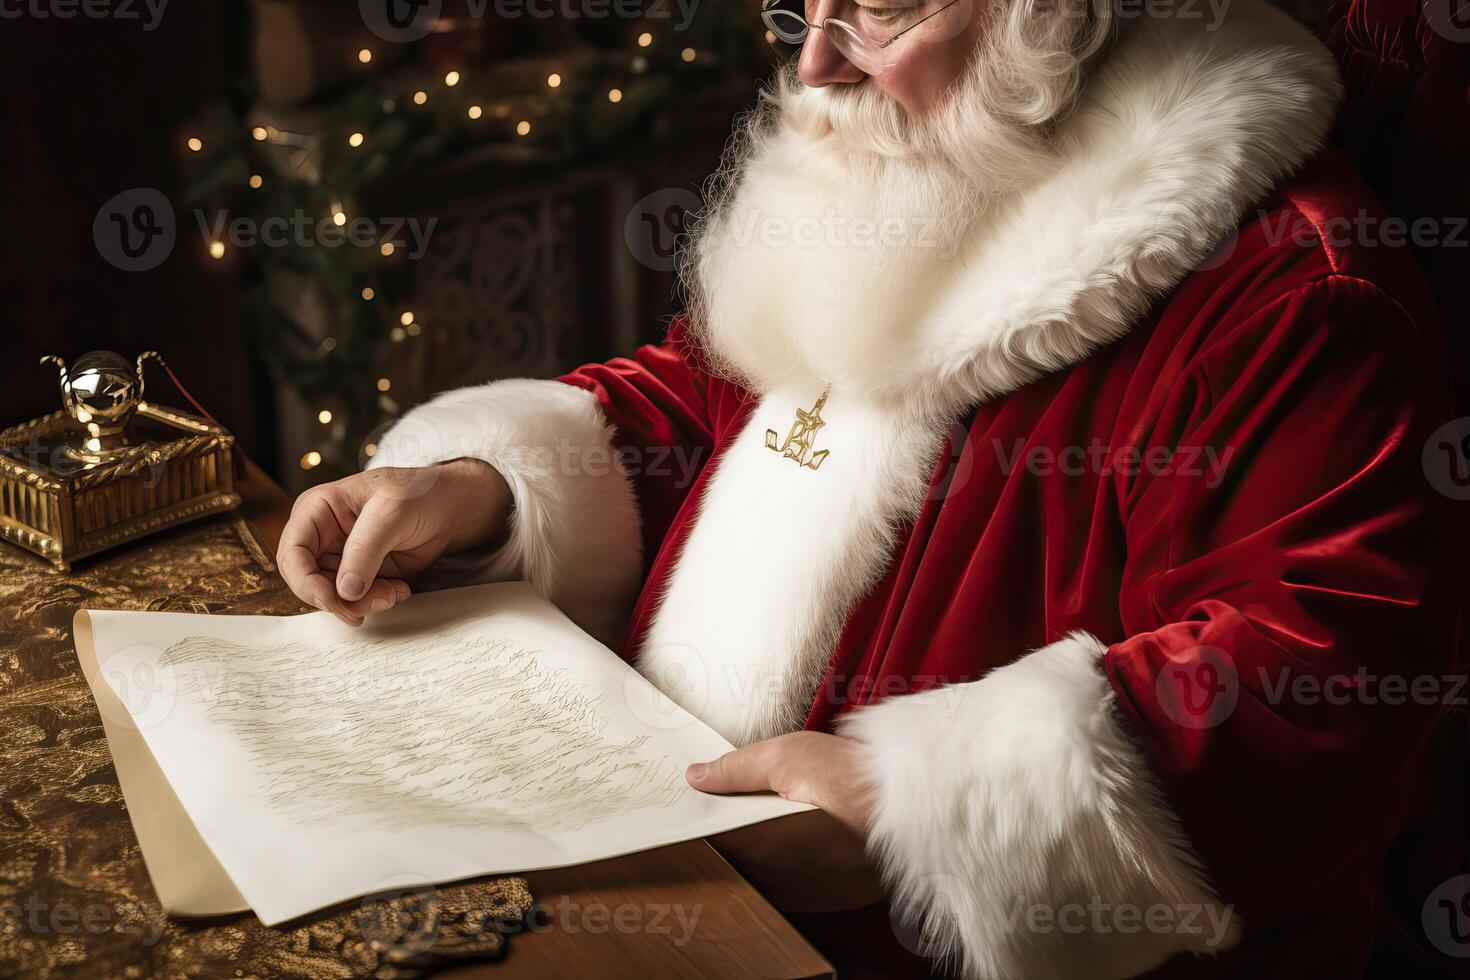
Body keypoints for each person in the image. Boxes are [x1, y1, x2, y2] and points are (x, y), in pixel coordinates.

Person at [277, 0, 1464, 976]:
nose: (813, 63)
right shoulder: (937, 139)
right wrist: (480, 485)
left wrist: (914, 822)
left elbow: (1317, 674)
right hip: (687, 885)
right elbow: (716, 405)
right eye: (801, 7)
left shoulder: (1294, 288)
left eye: (881, 11)